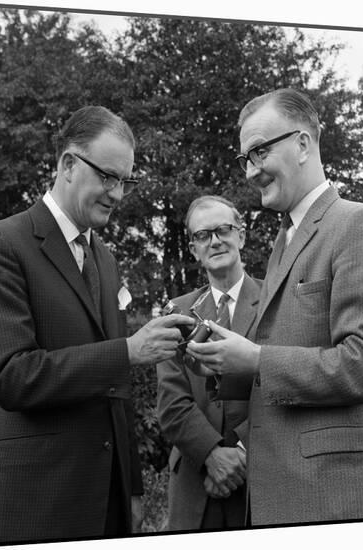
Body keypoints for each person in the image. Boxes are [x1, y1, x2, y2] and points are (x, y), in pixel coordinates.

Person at [0, 105, 194, 544]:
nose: (118, 194)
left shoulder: (104, 258)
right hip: (37, 502)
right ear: (68, 164)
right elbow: (13, 377)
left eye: (125, 181)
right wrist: (128, 351)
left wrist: (132, 487)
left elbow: (116, 387)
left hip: (106, 501)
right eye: (108, 176)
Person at [186, 88, 363, 526]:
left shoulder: (357, 222)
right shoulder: (284, 239)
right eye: (245, 158)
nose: (250, 170)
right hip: (280, 492)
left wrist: (258, 360)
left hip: (330, 495)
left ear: (303, 144)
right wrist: (228, 363)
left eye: (260, 151)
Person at [156, 196, 261, 531]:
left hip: (260, 479)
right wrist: (212, 454)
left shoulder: (276, 302)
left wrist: (241, 453)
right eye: (203, 235)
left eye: (223, 230)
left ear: (241, 236)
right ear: (193, 248)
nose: (215, 240)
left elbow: (280, 384)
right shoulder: (176, 313)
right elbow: (171, 402)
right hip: (194, 478)